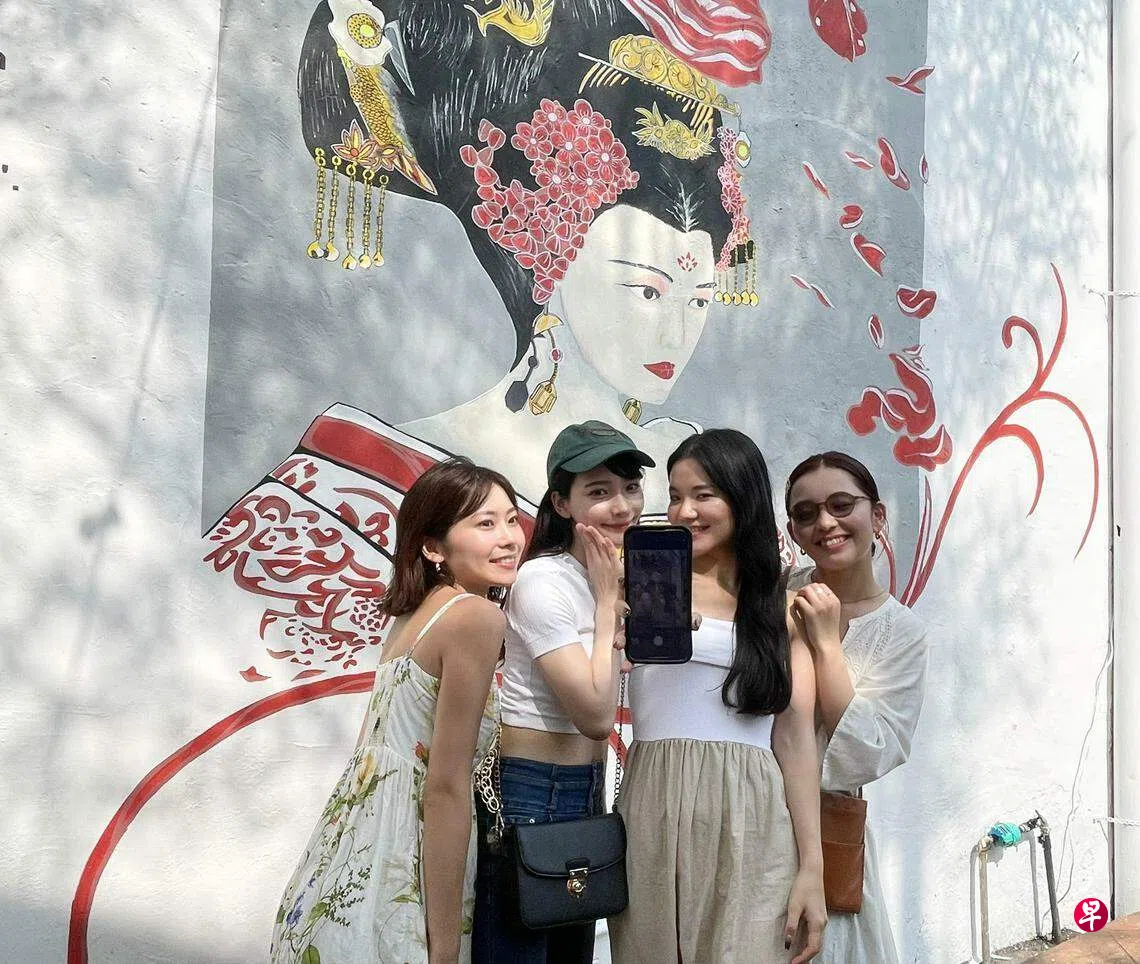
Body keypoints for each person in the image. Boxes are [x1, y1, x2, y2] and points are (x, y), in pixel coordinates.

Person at [269, 457, 525, 964]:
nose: (509, 538)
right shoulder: (475, 617)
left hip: (346, 859)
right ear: (433, 547)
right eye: (485, 524)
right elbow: (445, 787)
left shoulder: (416, 614)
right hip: (405, 860)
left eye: (512, 519)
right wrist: (445, 949)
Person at [610, 429, 827, 964]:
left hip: (754, 809)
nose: (685, 511)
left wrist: (812, 867)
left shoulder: (781, 606)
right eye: (675, 495)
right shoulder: (637, 587)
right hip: (654, 801)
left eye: (703, 495)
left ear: (741, 499)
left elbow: (795, 739)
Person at [473, 420, 652, 963]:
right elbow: (595, 716)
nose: (622, 506)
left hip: (587, 790)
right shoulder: (542, 581)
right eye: (599, 492)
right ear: (561, 502)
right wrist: (607, 605)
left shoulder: (623, 576)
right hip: (531, 791)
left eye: (631, 488)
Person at [784, 451, 930, 964]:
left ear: (877, 515)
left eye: (842, 505)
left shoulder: (902, 632)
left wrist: (826, 645)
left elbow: (869, 751)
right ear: (793, 530)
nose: (825, 522)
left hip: (828, 833)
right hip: (743, 811)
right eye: (806, 513)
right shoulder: (773, 596)